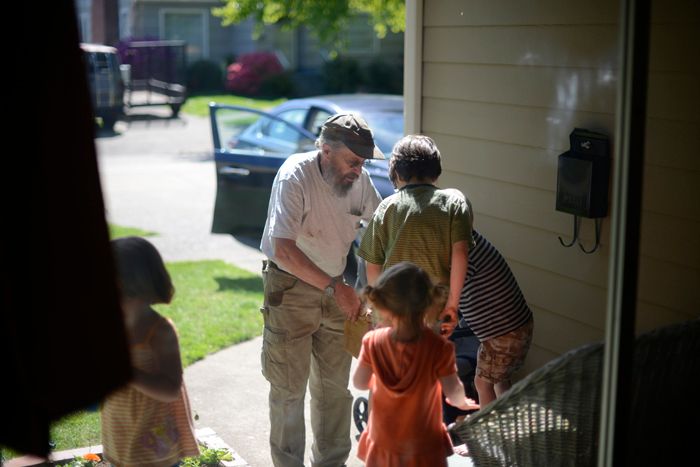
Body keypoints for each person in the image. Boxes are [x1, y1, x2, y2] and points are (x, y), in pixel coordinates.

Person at [259, 113, 383, 467]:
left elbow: (380, 231)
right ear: (326, 151)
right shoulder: (295, 175)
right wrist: (335, 287)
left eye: (363, 162)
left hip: (336, 291)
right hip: (289, 289)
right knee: (288, 391)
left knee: (334, 392)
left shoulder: (356, 181)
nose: (359, 170)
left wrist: (374, 292)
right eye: (353, 161)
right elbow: (283, 249)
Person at [352, 262, 480, 467]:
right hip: (424, 444)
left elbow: (359, 382)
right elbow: (452, 390)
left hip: (385, 439)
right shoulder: (439, 347)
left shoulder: (372, 342)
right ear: (429, 304)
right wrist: (462, 402)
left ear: (384, 305)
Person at [358, 134, 475, 335]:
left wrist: (379, 310)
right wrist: (452, 307)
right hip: (434, 309)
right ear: (436, 172)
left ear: (396, 173)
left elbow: (373, 264)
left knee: (395, 363)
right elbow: (460, 254)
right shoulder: (454, 204)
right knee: (429, 362)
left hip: (395, 310)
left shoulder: (387, 207)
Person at [101, 237, 199, 467]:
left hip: (152, 448)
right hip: (120, 436)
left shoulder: (159, 332)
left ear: (129, 284)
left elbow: (171, 390)